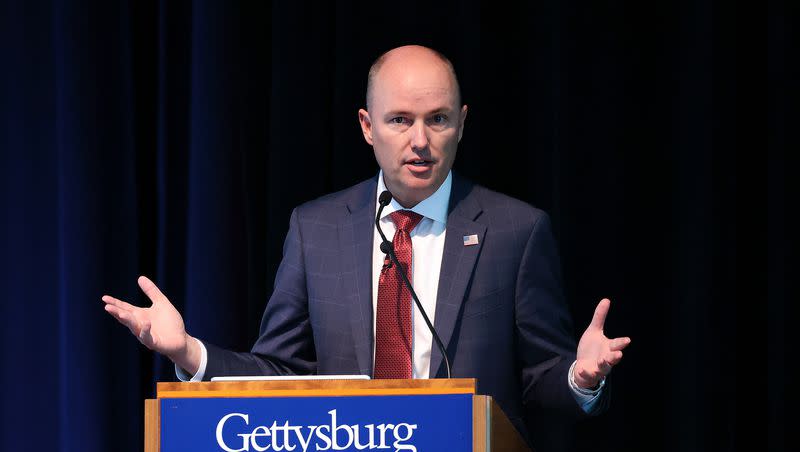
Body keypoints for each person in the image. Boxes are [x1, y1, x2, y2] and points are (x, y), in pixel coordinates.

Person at [103, 45, 630, 448]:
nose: (419, 141)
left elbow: (540, 379)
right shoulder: (317, 228)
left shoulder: (517, 230)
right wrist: (188, 352)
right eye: (400, 120)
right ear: (367, 126)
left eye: (438, 119)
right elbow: (280, 373)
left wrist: (578, 378)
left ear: (462, 123)